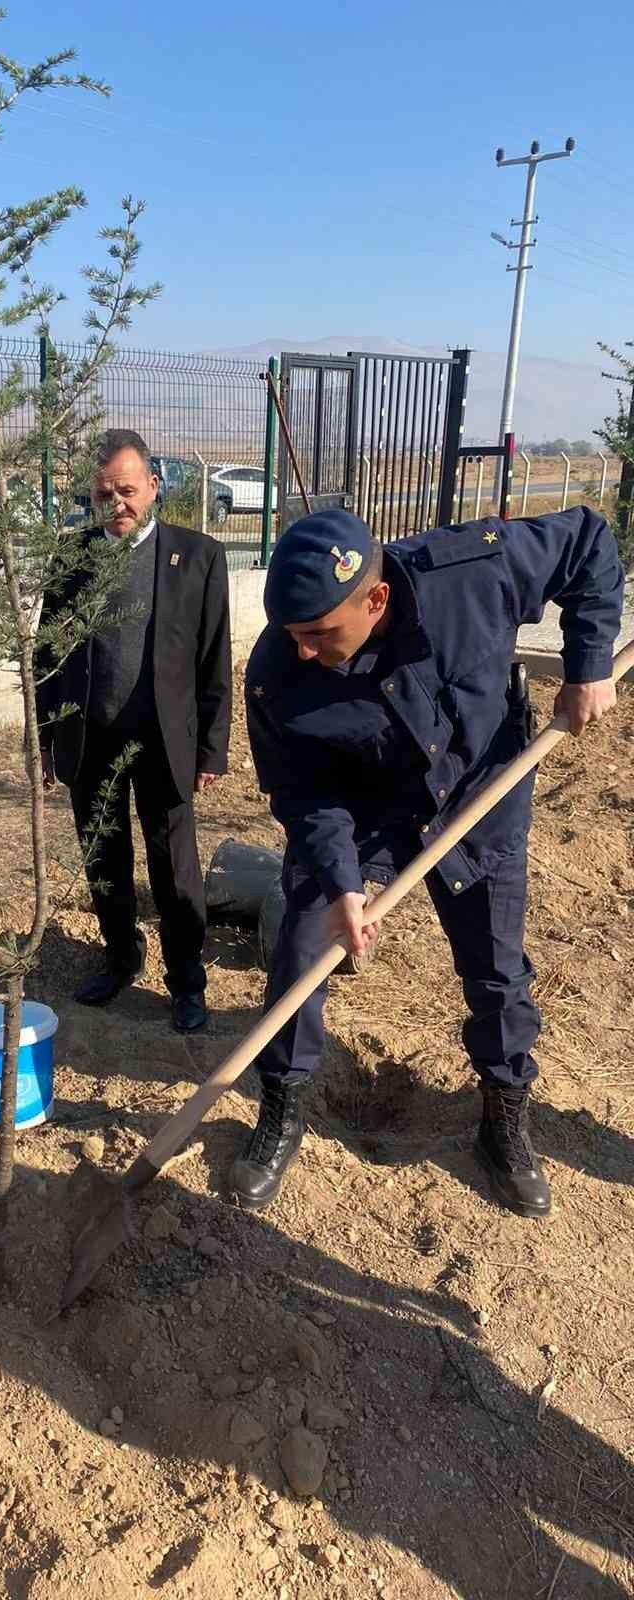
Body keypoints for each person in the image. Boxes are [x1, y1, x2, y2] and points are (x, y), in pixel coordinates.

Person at [236, 503, 622, 1218]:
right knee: (301, 942)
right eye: (292, 635)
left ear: (375, 598)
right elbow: (304, 791)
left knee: (497, 969)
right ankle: (283, 1106)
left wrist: (589, 665)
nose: (304, 651)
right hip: (366, 814)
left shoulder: (474, 570)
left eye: (320, 633)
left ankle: (503, 1119)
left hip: (479, 798)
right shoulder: (278, 672)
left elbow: (589, 545)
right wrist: (344, 885)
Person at [36, 429, 232, 1033]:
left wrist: (211, 749)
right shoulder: (72, 558)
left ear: (153, 485)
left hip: (164, 742)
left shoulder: (197, 557)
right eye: (102, 494)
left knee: (174, 868)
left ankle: (186, 982)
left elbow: (213, 659)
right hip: (90, 740)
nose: (115, 503)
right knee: (104, 860)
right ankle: (120, 957)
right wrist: (48, 737)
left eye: (126, 490)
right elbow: (47, 654)